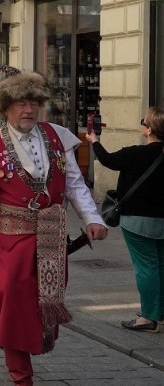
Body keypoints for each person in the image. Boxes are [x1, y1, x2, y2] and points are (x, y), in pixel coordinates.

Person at [0, 71, 108, 385]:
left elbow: (75, 186)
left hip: (51, 239)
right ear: (6, 107)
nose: (28, 110)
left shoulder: (58, 136)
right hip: (11, 242)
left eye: (34, 103)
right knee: (13, 303)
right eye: (20, 104)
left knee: (40, 305)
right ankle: (20, 372)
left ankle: (14, 344)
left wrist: (93, 218)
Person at [86, 108, 164, 333]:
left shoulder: (136, 153)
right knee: (160, 265)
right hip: (161, 219)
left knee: (146, 267)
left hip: (137, 219)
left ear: (148, 130)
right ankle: (159, 311)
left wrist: (94, 140)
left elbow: (107, 160)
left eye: (143, 122)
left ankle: (148, 317)